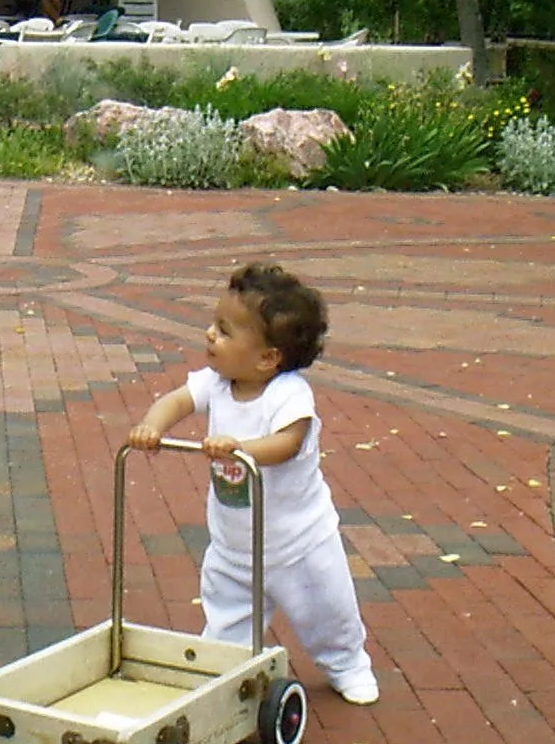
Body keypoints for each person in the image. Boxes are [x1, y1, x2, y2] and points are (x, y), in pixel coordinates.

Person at [127, 262, 379, 705]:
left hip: (298, 542)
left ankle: (346, 662)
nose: (210, 335)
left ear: (267, 358)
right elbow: (178, 400)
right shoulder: (217, 382)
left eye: (224, 331)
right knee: (226, 618)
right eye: (213, 325)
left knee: (326, 610)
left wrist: (241, 447)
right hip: (234, 543)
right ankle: (225, 667)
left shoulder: (288, 395)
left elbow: (288, 442)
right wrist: (152, 425)